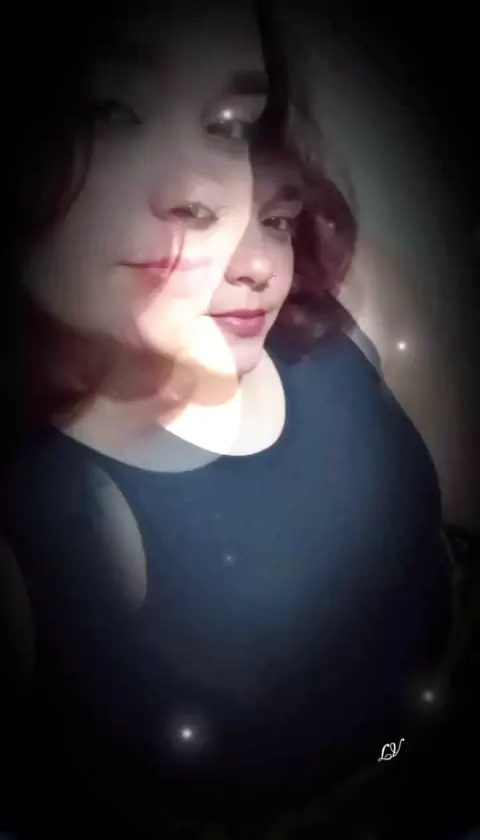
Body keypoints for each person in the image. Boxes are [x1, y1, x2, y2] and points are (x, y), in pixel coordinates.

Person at [0, 0, 453, 836]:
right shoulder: (39, 522)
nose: (207, 195)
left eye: (230, 125)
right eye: (110, 109)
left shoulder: (335, 312)